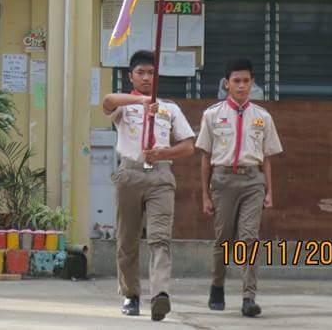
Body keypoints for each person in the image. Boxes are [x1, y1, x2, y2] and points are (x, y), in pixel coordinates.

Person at [102, 50, 197, 322]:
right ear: (131, 76)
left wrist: (164, 153)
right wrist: (142, 101)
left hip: (160, 177)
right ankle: (130, 294)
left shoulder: (169, 108)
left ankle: (160, 294)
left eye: (151, 73)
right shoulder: (125, 106)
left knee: (160, 238)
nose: (146, 78)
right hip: (130, 175)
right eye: (140, 73)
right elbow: (107, 101)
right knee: (127, 238)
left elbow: (188, 146)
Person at [197, 58, 283, 318]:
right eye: (237, 81)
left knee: (249, 238)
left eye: (246, 81)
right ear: (227, 83)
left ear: (252, 83)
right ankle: (217, 284)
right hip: (223, 181)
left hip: (252, 181)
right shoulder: (212, 115)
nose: (242, 86)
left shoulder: (263, 117)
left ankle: (249, 296)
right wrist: (205, 195)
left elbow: (266, 158)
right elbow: (205, 157)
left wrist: (269, 191)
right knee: (223, 239)